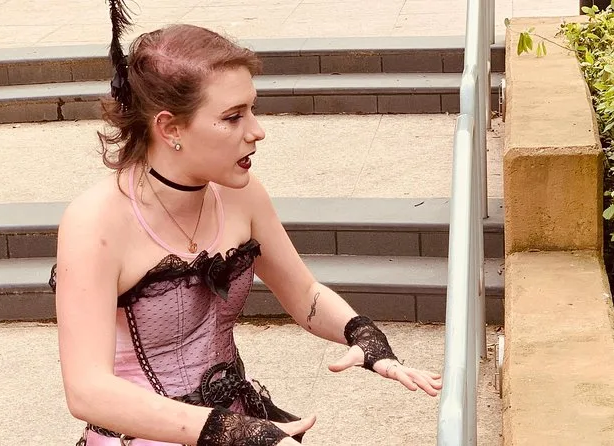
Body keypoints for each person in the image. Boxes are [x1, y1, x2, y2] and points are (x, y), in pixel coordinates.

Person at [50, 1, 442, 445]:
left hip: (243, 428)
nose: (257, 130)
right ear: (170, 128)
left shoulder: (240, 193)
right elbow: (87, 391)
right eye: (233, 117)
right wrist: (233, 430)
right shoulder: (95, 222)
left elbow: (304, 293)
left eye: (253, 109)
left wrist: (364, 336)